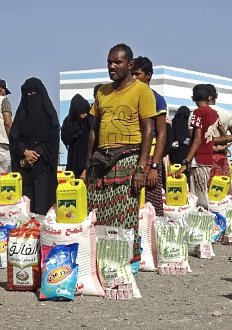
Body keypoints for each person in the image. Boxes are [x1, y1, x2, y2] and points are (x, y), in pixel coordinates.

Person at [82, 44, 156, 268]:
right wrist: (87, 165)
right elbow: (94, 130)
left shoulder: (142, 90)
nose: (112, 66)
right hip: (101, 160)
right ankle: (101, 261)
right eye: (109, 62)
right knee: (96, 210)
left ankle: (124, 263)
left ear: (130, 65)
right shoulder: (102, 92)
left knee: (123, 213)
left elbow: (149, 130)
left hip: (129, 156)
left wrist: (142, 168)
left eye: (117, 62)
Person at [9, 78, 60, 216]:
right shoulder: (21, 116)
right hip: (25, 169)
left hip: (44, 167)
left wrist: (36, 154)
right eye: (27, 94)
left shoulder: (49, 116)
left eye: (34, 93)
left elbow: (52, 139)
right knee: (25, 208)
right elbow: (14, 138)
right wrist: (25, 152)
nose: (31, 97)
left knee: (43, 206)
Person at [172, 84, 228, 208]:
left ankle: (203, 221)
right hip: (208, 159)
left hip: (198, 160)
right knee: (204, 192)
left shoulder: (197, 113)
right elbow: (225, 136)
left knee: (198, 196)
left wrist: (185, 163)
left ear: (193, 98)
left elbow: (196, 140)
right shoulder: (214, 113)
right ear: (209, 98)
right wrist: (213, 143)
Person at [132, 56, 167, 216]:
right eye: (132, 74)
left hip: (151, 157)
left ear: (148, 75)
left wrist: (154, 166)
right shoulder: (129, 96)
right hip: (131, 156)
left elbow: (161, 134)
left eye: (137, 74)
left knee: (152, 207)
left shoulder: (157, 99)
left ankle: (151, 239)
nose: (134, 78)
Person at [205, 84, 232, 185]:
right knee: (221, 190)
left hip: (203, 156)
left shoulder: (197, 113)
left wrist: (210, 140)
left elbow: (194, 138)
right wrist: (220, 140)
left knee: (204, 191)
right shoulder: (227, 113)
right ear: (215, 95)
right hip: (221, 156)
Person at [61, 94, 93, 178]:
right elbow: (65, 138)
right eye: (81, 112)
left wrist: (86, 168)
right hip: (73, 160)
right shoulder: (69, 123)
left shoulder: (90, 121)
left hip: (87, 159)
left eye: (86, 111)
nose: (84, 115)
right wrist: (74, 133)